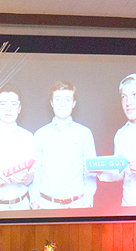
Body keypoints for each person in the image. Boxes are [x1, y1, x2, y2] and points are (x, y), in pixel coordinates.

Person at [30, 81, 97, 209]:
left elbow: (90, 171)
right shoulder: (40, 134)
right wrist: (34, 200)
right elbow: (35, 171)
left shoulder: (84, 133)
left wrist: (87, 203)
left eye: (67, 99)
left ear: (73, 104)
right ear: (51, 103)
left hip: (77, 205)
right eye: (58, 99)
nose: (62, 104)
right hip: (46, 205)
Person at [98, 73, 136, 207]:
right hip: (128, 207)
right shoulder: (121, 134)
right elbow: (120, 173)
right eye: (124, 97)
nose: (128, 102)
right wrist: (98, 169)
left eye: (134, 95)